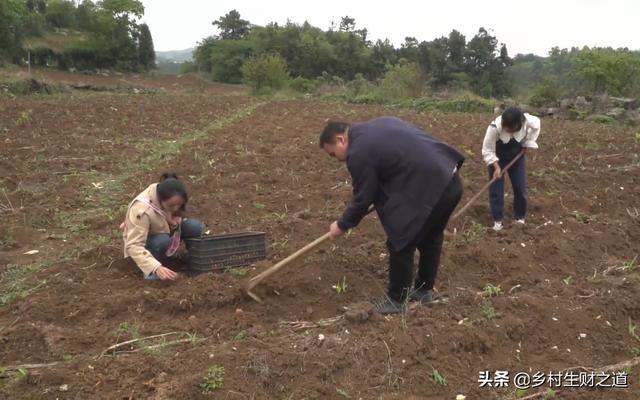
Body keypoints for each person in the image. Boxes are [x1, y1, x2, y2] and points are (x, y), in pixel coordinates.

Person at [320, 117, 465, 314]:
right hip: (450, 180)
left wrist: (342, 224)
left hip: (432, 186)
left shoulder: (358, 151)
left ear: (341, 140)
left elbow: (363, 198)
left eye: (332, 154)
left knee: (401, 240)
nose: (337, 159)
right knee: (430, 238)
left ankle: (397, 301)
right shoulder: (377, 125)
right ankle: (423, 291)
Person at [122, 173, 204, 280]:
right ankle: (152, 272)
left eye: (179, 205)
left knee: (194, 226)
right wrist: (156, 267)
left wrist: (175, 218)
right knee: (162, 241)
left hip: (164, 230)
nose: (175, 208)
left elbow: (174, 210)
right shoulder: (141, 210)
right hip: (148, 244)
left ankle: (194, 261)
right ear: (160, 200)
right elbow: (133, 246)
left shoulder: (169, 192)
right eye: (171, 206)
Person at [482, 107, 541, 231]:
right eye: (506, 129)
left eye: (512, 129)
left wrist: (528, 142)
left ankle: (520, 217)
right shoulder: (494, 128)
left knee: (520, 187)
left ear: (519, 124)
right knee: (496, 190)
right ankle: (498, 220)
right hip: (497, 158)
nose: (508, 131)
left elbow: (536, 127)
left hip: (517, 157)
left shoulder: (528, 121)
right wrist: (496, 167)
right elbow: (488, 150)